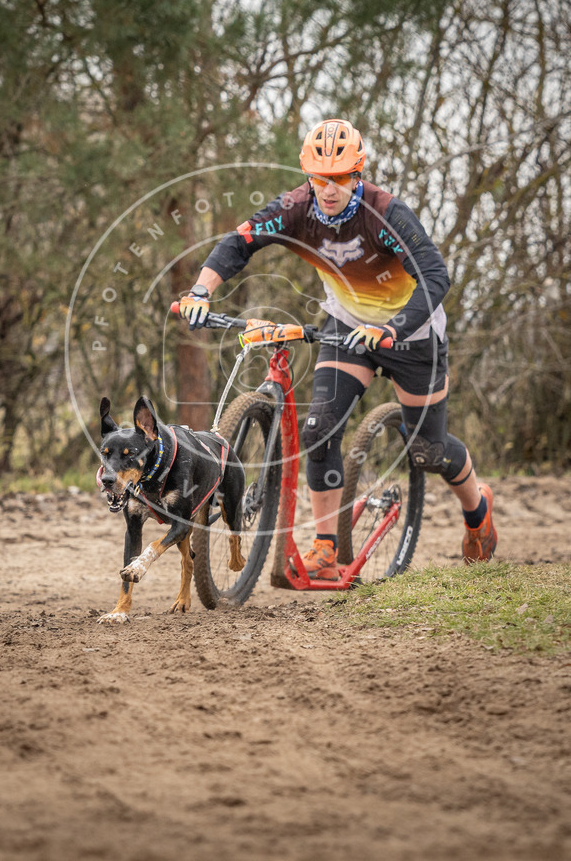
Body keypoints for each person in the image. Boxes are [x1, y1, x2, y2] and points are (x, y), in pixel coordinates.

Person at [179, 119, 497, 578]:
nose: (329, 189)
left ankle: (477, 508)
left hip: (412, 336)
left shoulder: (386, 212)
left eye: (341, 178)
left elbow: (435, 277)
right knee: (319, 430)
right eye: (320, 178)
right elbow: (240, 241)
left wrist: (392, 328)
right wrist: (200, 291)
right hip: (347, 331)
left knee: (428, 451)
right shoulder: (294, 208)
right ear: (308, 174)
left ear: (358, 173)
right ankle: (325, 550)